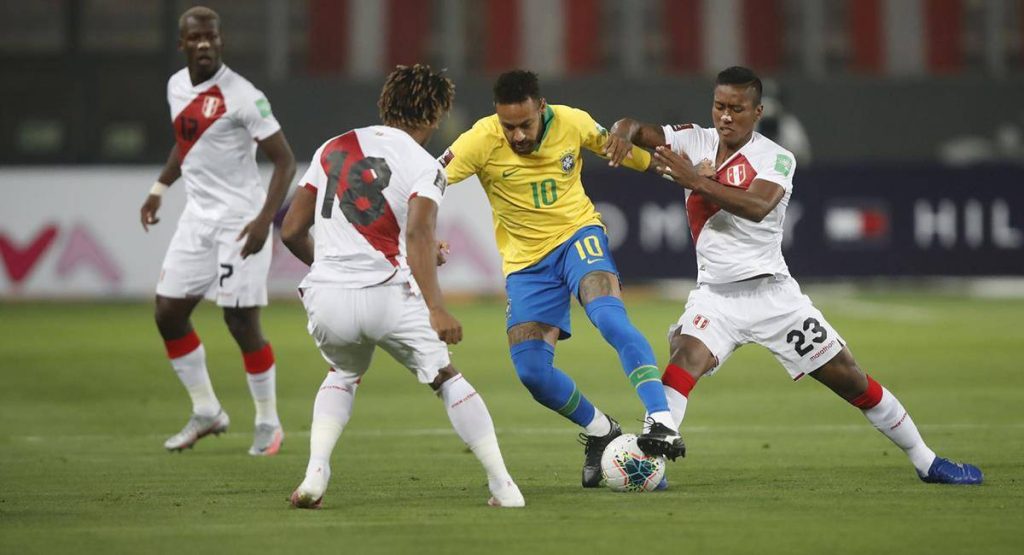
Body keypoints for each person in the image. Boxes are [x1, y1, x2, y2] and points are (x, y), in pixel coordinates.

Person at [605, 66, 982, 485]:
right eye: (719, 106)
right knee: (683, 361)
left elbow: (756, 206)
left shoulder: (776, 158)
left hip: (774, 297)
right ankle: (649, 463)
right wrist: (623, 131)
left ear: (757, 111)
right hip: (715, 296)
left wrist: (695, 179)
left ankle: (926, 461)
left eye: (736, 108)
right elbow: (638, 129)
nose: (725, 116)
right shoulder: (695, 140)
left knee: (850, 379)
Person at [281, 64, 524, 509]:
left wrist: (340, 267)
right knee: (447, 378)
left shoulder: (331, 148)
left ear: (385, 104)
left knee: (342, 373)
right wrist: (437, 307)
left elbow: (292, 231)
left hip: (328, 298)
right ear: (435, 116)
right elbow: (416, 235)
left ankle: (315, 474)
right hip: (388, 296)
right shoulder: (426, 165)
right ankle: (504, 486)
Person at [439, 70, 685, 489]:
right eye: (508, 126)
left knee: (609, 318)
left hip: (577, 236)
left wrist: (685, 176)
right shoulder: (479, 139)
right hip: (525, 264)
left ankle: (660, 421)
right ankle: (600, 430)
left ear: (542, 107)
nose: (517, 136)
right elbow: (428, 179)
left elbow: (627, 152)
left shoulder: (572, 121)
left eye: (525, 125)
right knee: (533, 372)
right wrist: (422, 230)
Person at [139, 6, 296, 456]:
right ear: (182, 44)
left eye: (211, 37)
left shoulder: (244, 96)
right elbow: (187, 141)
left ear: (220, 41)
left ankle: (269, 421)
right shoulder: (176, 86)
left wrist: (265, 220)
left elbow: (285, 160)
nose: (204, 44)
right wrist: (160, 187)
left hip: (240, 220)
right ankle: (207, 410)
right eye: (195, 38)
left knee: (239, 319)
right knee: (168, 313)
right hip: (197, 218)